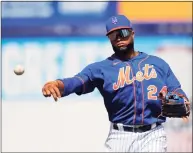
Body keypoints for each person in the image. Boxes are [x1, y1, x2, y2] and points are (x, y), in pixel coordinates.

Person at [42, 15, 190, 152]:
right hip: (119, 136)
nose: (119, 38)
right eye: (113, 35)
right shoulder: (101, 68)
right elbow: (78, 81)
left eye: (123, 33)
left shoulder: (158, 64)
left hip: (153, 134)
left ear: (132, 33)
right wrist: (58, 84)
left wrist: (180, 101)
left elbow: (178, 92)